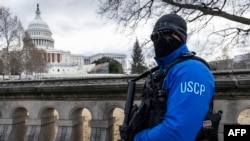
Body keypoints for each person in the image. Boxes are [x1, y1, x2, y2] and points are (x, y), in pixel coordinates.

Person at [133, 13, 215, 141]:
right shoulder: (164, 72)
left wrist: (138, 139)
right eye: (154, 36)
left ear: (181, 36)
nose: (160, 38)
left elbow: (177, 132)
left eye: (166, 32)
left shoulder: (191, 70)